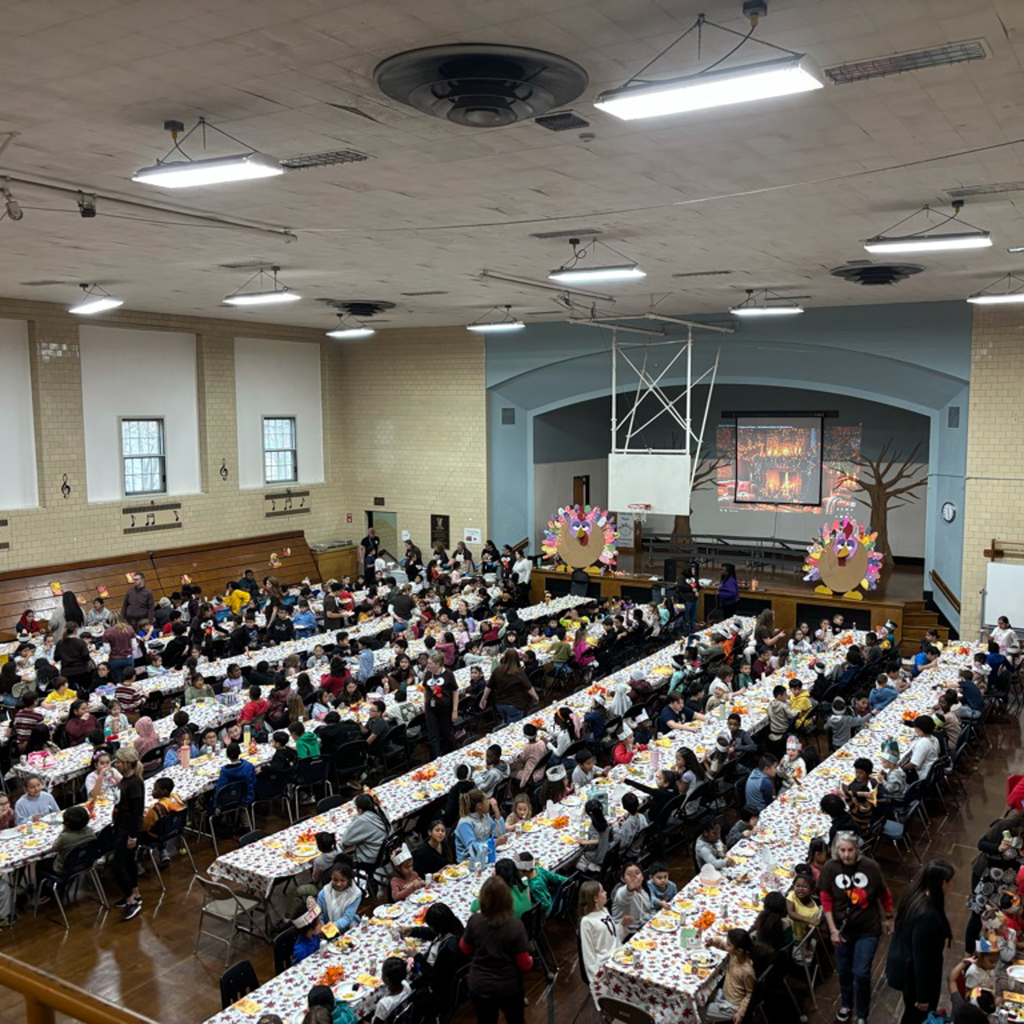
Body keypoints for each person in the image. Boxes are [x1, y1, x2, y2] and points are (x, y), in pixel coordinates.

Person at [819, 832, 893, 1024]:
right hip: (842, 930)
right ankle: (846, 1004)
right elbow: (826, 899)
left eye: (850, 850)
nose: (846, 855)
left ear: (857, 850)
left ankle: (862, 1013)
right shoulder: (830, 868)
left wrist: (889, 917)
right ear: (836, 850)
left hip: (867, 928)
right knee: (844, 971)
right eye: (842, 850)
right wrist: (832, 929)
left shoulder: (870, 867)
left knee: (861, 973)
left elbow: (883, 893)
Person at [885, 858, 955, 1024]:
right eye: (951, 881)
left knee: (912, 1013)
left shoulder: (915, 895)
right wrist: (922, 996)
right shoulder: (927, 915)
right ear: (943, 883)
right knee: (917, 1017)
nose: (953, 885)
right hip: (917, 978)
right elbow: (921, 957)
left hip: (909, 969)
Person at [460, 876, 533, 1024]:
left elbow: (464, 948)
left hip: (480, 985)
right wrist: (531, 959)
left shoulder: (475, 921)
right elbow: (525, 964)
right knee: (516, 1021)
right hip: (509, 986)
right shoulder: (515, 925)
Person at [112, 747, 145, 920]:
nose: (116, 764)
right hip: (121, 827)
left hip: (128, 830)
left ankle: (131, 900)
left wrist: (132, 836)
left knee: (117, 866)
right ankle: (135, 893)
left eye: (118, 762)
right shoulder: (126, 780)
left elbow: (136, 813)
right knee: (129, 862)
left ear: (127, 763)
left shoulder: (134, 784)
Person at [703, 928, 756, 1023]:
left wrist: (740, 1013)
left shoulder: (747, 971)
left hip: (732, 1006)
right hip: (724, 993)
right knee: (701, 998)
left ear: (739, 950)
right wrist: (712, 940)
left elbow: (750, 993)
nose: (726, 945)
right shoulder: (735, 954)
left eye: (729, 944)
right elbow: (722, 944)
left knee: (699, 1013)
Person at [578, 880, 618, 995]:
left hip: (617, 957)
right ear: (595, 898)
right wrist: (596, 975)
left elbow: (612, 935)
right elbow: (588, 952)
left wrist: (624, 926)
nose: (606, 893)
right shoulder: (587, 921)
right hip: (605, 965)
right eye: (602, 891)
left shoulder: (604, 910)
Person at [480, 650, 537, 725]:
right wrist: (535, 697)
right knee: (514, 726)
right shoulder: (519, 672)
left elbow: (489, 686)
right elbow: (529, 688)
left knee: (506, 723)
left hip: (500, 704)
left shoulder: (497, 670)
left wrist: (484, 699)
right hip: (515, 704)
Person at [455, 789, 506, 862]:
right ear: (479, 806)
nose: (489, 802)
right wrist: (494, 843)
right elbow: (473, 849)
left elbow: (499, 834)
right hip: (469, 861)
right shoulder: (464, 824)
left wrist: (496, 810)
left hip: (487, 852)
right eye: (486, 801)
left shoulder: (485, 815)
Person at [423, 652, 459, 756]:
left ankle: (451, 754)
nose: (428, 665)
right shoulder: (428, 674)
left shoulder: (448, 674)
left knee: (447, 734)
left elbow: (455, 691)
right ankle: (435, 758)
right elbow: (426, 689)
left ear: (438, 664)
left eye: (430, 664)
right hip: (431, 709)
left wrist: (455, 711)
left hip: (445, 708)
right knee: (432, 736)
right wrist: (425, 703)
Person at [611, 861, 657, 938]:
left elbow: (650, 908)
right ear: (623, 879)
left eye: (637, 873)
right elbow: (624, 896)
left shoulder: (645, 889)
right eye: (629, 874)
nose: (634, 877)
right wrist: (630, 888)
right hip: (627, 934)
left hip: (645, 927)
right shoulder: (621, 891)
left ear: (642, 876)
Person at [317, 860, 364, 934]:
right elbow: (320, 915)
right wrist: (322, 927)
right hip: (328, 928)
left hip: (348, 926)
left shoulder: (355, 894)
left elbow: (347, 917)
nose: (338, 884)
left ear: (348, 879)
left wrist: (332, 927)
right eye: (335, 880)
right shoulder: (323, 894)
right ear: (331, 877)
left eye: (342, 880)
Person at [340, 793, 389, 866]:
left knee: (342, 856)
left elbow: (345, 841)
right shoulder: (381, 811)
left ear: (359, 810)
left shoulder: (363, 821)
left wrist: (356, 819)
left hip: (371, 857)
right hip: (385, 851)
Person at [102, 612, 137, 682]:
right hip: (128, 658)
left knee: (119, 681)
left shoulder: (107, 632)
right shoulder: (129, 629)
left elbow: (107, 650)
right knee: (130, 680)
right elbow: (134, 647)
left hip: (115, 660)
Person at [291, 897, 325, 965]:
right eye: (318, 923)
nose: (321, 924)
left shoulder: (314, 936)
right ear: (310, 928)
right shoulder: (301, 950)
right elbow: (298, 967)